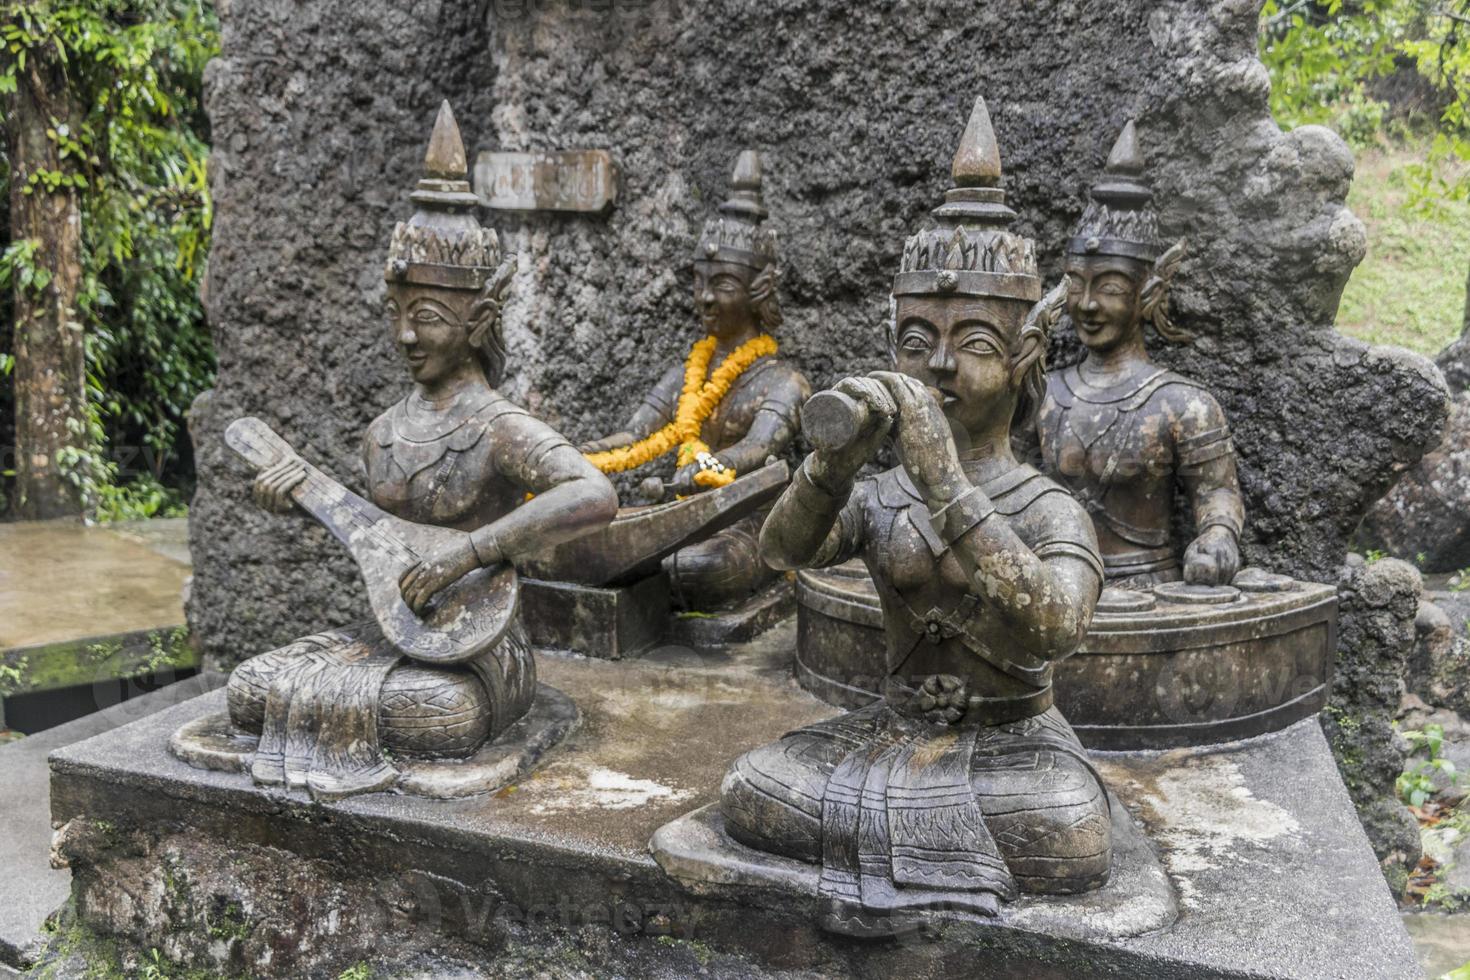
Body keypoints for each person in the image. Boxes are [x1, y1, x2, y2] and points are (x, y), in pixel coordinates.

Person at [719, 96, 1110, 930]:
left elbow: (1056, 626)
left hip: (1017, 745)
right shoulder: (879, 494)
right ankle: (912, 847)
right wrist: (833, 465)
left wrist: (945, 482)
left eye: (970, 343)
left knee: (1069, 830)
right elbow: (782, 551)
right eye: (913, 341)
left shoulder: (1047, 507)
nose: (936, 366)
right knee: (753, 789)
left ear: (1023, 360)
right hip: (890, 732)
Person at [227, 102, 618, 801]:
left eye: (429, 318)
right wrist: (297, 502)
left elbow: (593, 495)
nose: (407, 337)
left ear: (479, 322)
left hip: (481, 655)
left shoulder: (498, 424)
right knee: (251, 687)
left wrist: (469, 554)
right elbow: (376, 542)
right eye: (398, 315)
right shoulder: (381, 431)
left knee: (439, 715)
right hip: (395, 643)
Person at [580, 151, 810, 610]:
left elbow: (757, 450)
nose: (704, 298)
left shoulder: (784, 383)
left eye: (722, 284)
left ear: (761, 289)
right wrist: (576, 456)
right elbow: (635, 435)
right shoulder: (686, 374)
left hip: (748, 523)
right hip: (682, 513)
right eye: (699, 281)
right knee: (607, 550)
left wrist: (706, 468)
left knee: (698, 568)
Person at [1036, 120, 1244, 587]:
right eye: (1076, 285)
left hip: (1147, 591)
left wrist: (1217, 539)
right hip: (1053, 586)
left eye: (1108, 288)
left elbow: (1218, 496)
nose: (1087, 305)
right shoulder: (1045, 394)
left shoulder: (1183, 405)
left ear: (1148, 294)